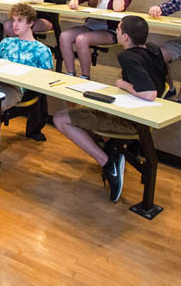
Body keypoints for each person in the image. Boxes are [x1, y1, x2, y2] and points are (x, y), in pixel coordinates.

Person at [53, 15, 168, 203]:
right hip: (141, 114)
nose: (116, 31)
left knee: (61, 118)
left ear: (126, 37)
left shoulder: (127, 56)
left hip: (129, 120)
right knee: (75, 104)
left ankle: (108, 164)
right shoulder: (154, 50)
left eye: (119, 29)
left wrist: (123, 84)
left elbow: (149, 93)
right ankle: (111, 149)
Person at [0, 3, 54, 116]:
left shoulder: (42, 50)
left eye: (20, 20)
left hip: (14, 88)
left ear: (30, 23)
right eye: (13, 20)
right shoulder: (6, 42)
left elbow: (47, 79)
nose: (15, 25)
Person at [59, 0, 133, 79]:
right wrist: (74, 2)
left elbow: (118, 8)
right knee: (64, 36)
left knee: (81, 39)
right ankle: (70, 73)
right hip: (90, 26)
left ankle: (85, 76)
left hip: (110, 30)